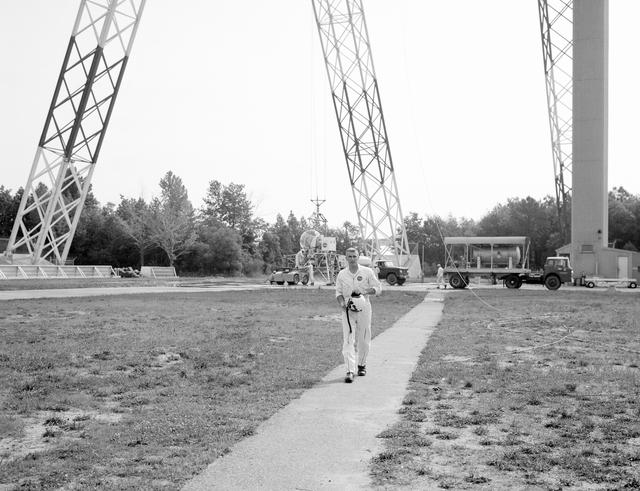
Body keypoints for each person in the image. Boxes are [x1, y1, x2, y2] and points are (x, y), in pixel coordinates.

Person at [335, 247, 382, 383]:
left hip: (364, 308)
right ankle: (350, 370)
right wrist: (342, 304)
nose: (352, 259)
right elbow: (338, 292)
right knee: (348, 339)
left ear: (358, 256)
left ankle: (361, 364)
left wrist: (366, 290)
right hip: (348, 309)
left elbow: (378, 288)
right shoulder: (342, 274)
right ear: (346, 258)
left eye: (354, 256)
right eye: (349, 256)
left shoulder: (367, 272)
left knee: (364, 338)